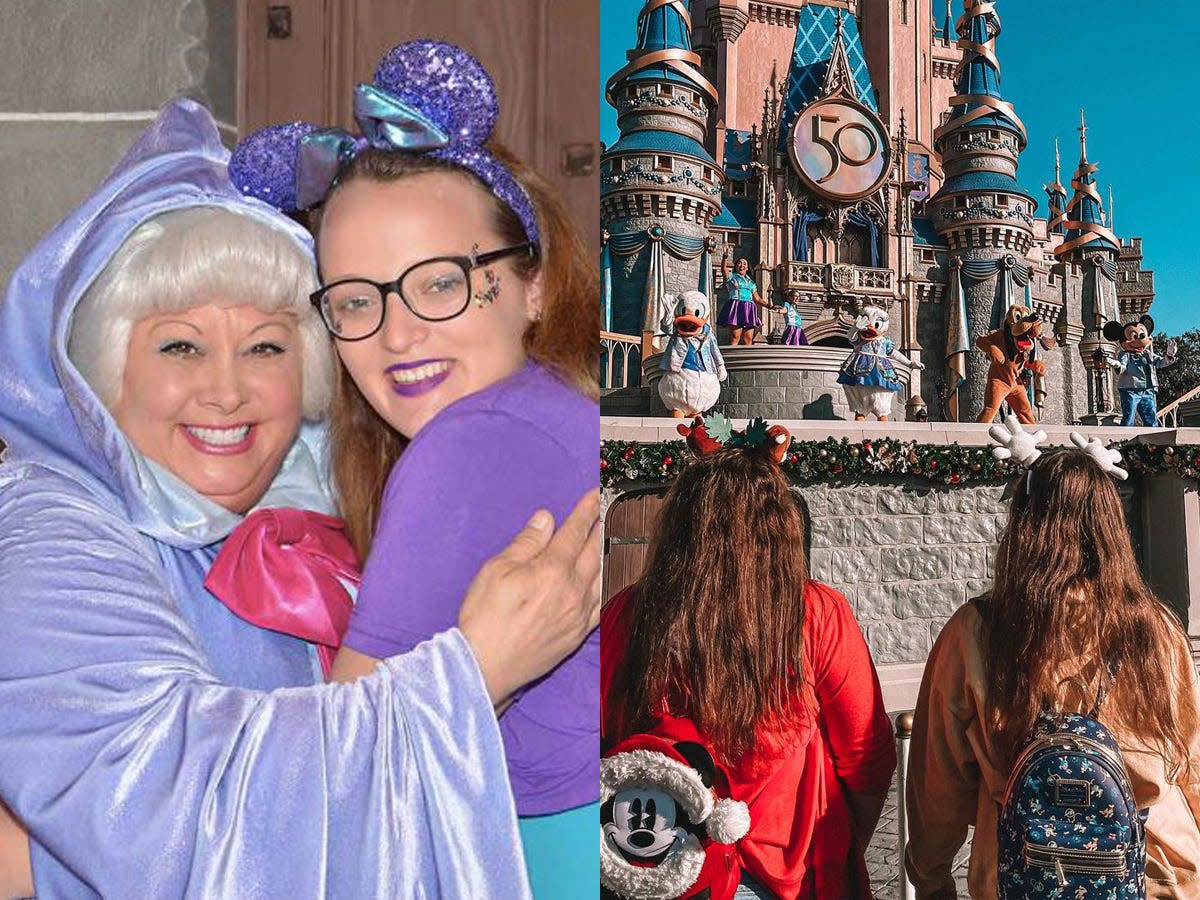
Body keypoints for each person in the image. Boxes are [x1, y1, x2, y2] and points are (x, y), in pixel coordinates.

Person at [0, 98, 600, 900]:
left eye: (267, 346)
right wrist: (472, 672)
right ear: (103, 367)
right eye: (181, 344)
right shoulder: (56, 537)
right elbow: (183, 812)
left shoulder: (333, 495)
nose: (227, 390)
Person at [232, 40, 599, 898]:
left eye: (438, 283)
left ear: (531, 283)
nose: (398, 336)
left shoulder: (473, 443)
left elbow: (329, 794)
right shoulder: (556, 412)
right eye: (356, 299)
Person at [601, 442, 896, 899]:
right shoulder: (815, 614)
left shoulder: (627, 613)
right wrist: (840, 841)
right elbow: (866, 759)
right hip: (783, 872)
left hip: (658, 865)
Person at [905, 444, 1200, 898]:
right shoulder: (1156, 628)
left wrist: (931, 880)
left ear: (1024, 528)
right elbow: (1192, 763)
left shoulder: (977, 632)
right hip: (1156, 873)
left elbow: (936, 784)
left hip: (1025, 875)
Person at [717, 248, 781, 345]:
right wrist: (725, 258)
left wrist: (771, 306)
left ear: (747, 268)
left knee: (748, 339)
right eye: (739, 263)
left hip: (749, 308)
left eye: (744, 264)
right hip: (737, 306)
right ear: (736, 266)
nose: (741, 265)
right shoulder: (732, 277)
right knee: (735, 337)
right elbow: (723, 269)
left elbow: (757, 299)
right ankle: (732, 358)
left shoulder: (751, 283)